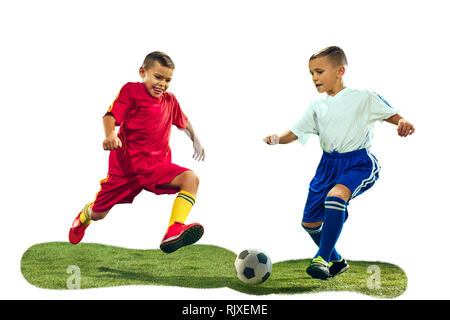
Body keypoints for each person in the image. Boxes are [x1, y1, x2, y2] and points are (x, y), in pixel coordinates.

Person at [263, 46, 415, 279]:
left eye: (320, 71)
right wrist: (276, 139)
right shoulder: (316, 107)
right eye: (311, 73)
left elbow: (390, 113)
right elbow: (295, 132)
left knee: (335, 198)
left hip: (357, 162)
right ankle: (336, 260)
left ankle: (321, 258)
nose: (314, 78)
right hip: (327, 166)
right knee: (310, 223)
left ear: (339, 71)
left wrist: (402, 121)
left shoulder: (362, 96)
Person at [69, 51, 206, 254]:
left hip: (156, 167)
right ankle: (83, 218)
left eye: (167, 80)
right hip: (125, 170)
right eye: (157, 77)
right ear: (143, 72)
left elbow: (183, 123)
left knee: (191, 179)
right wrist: (110, 135)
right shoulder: (131, 91)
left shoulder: (170, 101)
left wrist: (196, 141)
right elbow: (110, 116)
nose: (162, 84)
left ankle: (174, 229)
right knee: (99, 213)